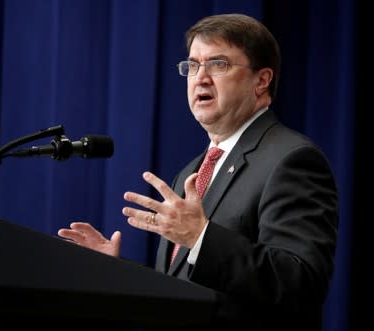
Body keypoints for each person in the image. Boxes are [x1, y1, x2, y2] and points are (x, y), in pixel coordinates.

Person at [58, 13, 338, 331]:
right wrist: (116, 274)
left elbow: (300, 282)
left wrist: (200, 237)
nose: (200, 77)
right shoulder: (191, 173)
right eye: (192, 65)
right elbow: (178, 295)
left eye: (218, 64)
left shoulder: (292, 159)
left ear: (261, 80)